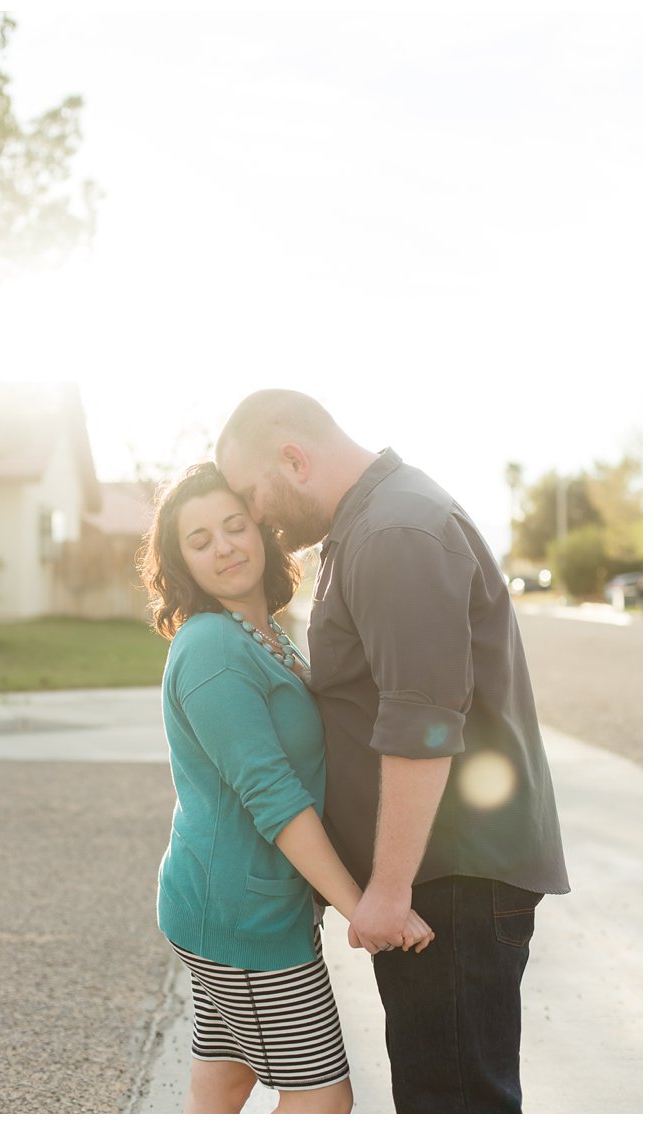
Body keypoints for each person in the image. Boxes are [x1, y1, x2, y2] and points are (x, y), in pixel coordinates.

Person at [215, 389, 569, 1112]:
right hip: (440, 880)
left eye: (254, 497)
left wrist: (388, 887)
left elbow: (423, 723)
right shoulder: (369, 526)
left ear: (293, 458)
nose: (258, 521)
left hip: (449, 883)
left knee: (454, 1100)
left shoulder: (395, 531)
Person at [137, 462, 433, 1115]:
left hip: (230, 910)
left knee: (224, 1082)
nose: (224, 546)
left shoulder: (266, 635)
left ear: (263, 532)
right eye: (200, 538)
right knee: (322, 1097)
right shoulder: (212, 647)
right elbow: (272, 795)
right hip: (244, 923)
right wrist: (363, 906)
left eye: (235, 526)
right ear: (181, 560)